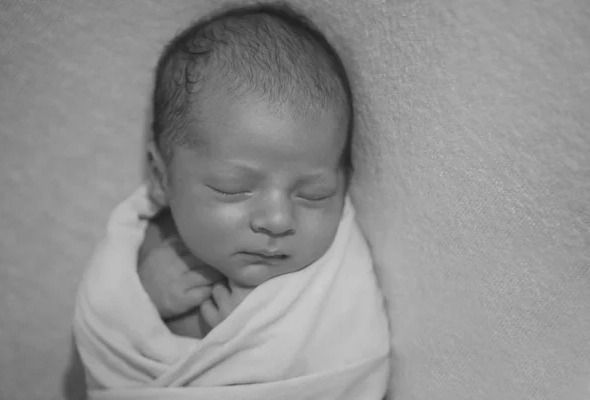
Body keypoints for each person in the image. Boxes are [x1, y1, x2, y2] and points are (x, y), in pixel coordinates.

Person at [73, 3, 390, 398]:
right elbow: (107, 331)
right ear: (160, 177)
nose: (277, 219)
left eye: (314, 193)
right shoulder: (142, 251)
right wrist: (140, 300)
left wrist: (268, 347)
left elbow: (348, 367)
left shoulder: (332, 288)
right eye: (232, 187)